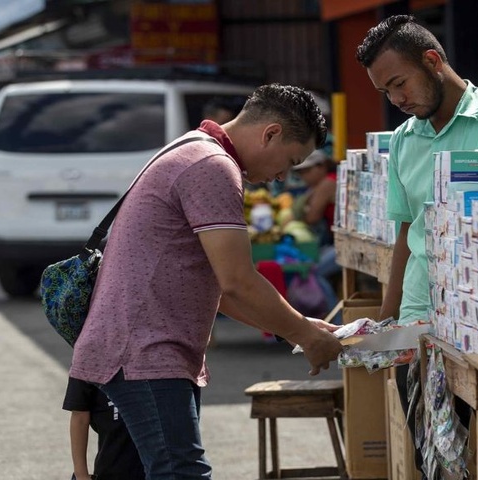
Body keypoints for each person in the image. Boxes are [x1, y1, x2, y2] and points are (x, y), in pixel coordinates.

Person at [68, 83, 344, 480]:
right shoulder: (212, 166)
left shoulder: (194, 148)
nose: (282, 177)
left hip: (141, 349)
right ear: (271, 134)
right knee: (181, 473)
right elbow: (237, 281)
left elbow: (217, 286)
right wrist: (306, 336)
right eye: (290, 161)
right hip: (145, 351)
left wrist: (297, 327)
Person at [356, 15, 478, 480]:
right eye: (386, 93)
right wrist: (388, 319)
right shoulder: (402, 141)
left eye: (400, 84)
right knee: (436, 462)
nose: (397, 100)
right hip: (422, 324)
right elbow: (405, 235)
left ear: (433, 61)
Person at [292, 149, 341, 321]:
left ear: (321, 167)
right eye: (300, 173)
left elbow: (312, 217)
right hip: (335, 241)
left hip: (343, 244)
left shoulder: (328, 183)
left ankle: (336, 320)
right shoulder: (318, 186)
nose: (304, 177)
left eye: (307, 171)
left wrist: (299, 214)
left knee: (315, 270)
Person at [63, 376, 145, 480]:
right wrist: (81, 475)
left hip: (162, 466)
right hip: (115, 467)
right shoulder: (89, 361)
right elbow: (80, 416)